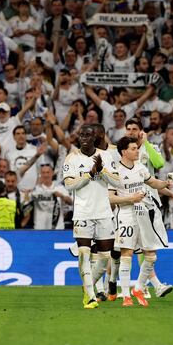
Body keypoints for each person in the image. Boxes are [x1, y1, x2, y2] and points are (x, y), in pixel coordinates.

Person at [106, 136, 173, 307]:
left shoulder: (140, 167)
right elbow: (110, 198)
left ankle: (138, 287)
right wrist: (131, 198)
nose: (137, 151)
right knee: (126, 255)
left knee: (151, 256)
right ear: (124, 152)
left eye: (137, 148)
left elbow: (153, 182)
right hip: (125, 215)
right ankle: (126, 296)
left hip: (143, 214)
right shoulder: (115, 171)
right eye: (134, 148)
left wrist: (166, 183)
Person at [62, 125, 117, 308]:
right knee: (84, 254)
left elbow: (118, 181)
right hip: (82, 212)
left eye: (88, 135)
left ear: (95, 137)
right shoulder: (72, 158)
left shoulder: (107, 156)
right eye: (82, 135)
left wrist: (101, 170)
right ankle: (91, 297)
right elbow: (69, 185)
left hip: (103, 212)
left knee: (104, 257)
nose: (84, 138)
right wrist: (90, 174)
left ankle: (88, 287)